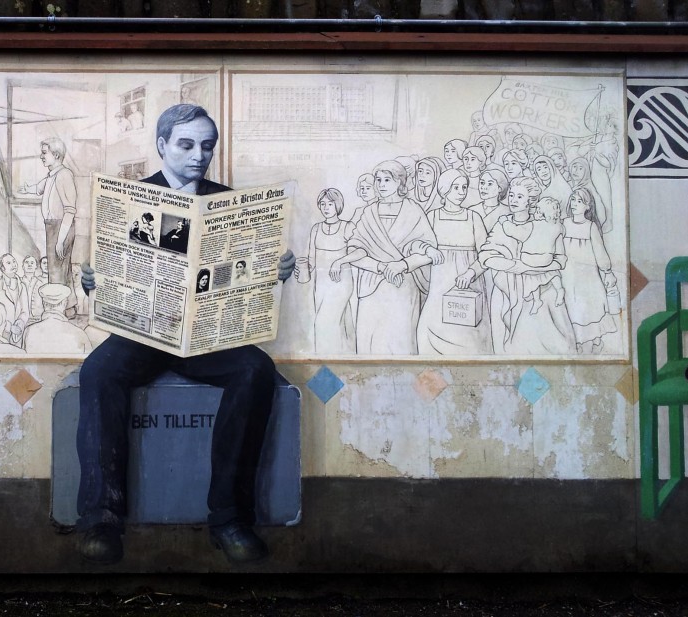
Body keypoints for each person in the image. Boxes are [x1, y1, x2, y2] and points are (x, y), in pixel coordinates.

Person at [76, 103, 295, 567]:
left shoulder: (229, 203)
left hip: (206, 336)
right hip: (144, 332)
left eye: (207, 146)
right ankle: (101, 518)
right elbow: (104, 270)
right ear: (161, 146)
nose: (200, 155)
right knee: (97, 372)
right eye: (187, 144)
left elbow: (249, 273)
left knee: (257, 370)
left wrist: (276, 270)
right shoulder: (130, 199)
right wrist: (92, 279)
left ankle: (230, 520)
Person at [329, 160, 439, 355]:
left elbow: (427, 251)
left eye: (387, 179)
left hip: (403, 288)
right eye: (378, 180)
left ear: (399, 182)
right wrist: (380, 267)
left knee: (401, 343)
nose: (381, 184)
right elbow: (357, 250)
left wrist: (402, 265)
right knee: (369, 343)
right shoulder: (368, 212)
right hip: (372, 288)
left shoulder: (413, 211)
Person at [479, 177, 575, 355]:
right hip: (505, 290)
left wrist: (532, 268)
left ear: (530, 201)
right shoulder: (502, 224)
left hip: (540, 289)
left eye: (520, 197)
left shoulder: (546, 224)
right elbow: (486, 254)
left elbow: (560, 259)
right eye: (512, 195)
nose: (513, 200)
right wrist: (514, 266)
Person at [417, 168, 491, 355]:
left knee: (470, 336)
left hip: (469, 284)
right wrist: (428, 249)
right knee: (431, 332)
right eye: (455, 187)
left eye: (464, 187)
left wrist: (471, 272)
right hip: (439, 284)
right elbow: (416, 242)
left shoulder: (474, 217)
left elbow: (487, 254)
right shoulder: (432, 216)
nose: (461, 192)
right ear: (444, 189)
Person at [294, 188, 356, 354]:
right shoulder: (316, 228)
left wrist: (339, 261)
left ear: (338, 205)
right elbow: (312, 259)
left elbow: (361, 252)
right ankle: (346, 363)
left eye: (330, 203)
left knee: (324, 323)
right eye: (323, 204)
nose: (326, 207)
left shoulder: (347, 227)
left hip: (341, 281)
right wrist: (302, 271)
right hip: (320, 284)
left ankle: (326, 360)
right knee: (342, 322)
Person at [561, 188, 619, 353]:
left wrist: (607, 271)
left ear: (588, 206)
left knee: (590, 306)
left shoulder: (590, 226)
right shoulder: (564, 223)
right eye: (573, 200)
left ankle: (596, 339)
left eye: (579, 201)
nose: (574, 204)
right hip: (567, 274)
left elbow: (600, 252)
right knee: (571, 306)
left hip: (587, 277)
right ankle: (577, 341)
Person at [20, 137, 77, 285]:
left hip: (60, 227)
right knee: (62, 270)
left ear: (56, 155)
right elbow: (39, 188)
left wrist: (60, 239)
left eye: (44, 153)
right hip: (52, 227)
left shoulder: (64, 175)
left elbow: (70, 210)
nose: (41, 156)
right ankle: (69, 307)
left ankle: (58, 306)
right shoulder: (52, 175)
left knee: (57, 271)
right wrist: (26, 189)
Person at [501, 196, 566, 314]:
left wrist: (504, 222)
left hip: (528, 259)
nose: (535, 213)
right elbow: (560, 244)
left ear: (541, 213)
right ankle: (560, 289)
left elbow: (514, 232)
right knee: (552, 272)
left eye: (537, 211)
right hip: (547, 260)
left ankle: (536, 299)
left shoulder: (532, 225)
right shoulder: (558, 227)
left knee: (532, 276)